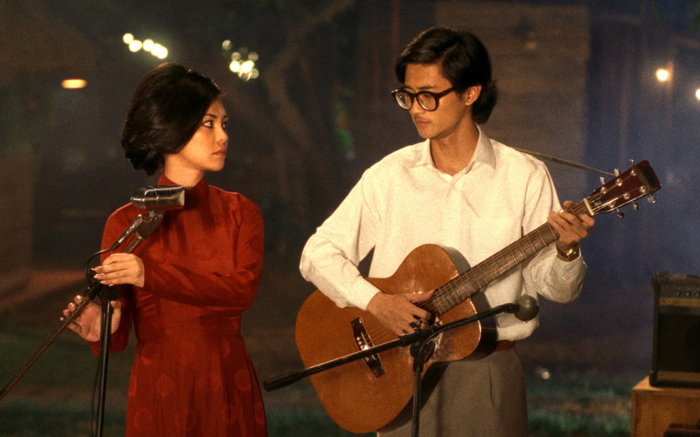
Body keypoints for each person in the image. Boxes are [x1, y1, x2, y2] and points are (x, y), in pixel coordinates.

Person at [299, 27, 595, 437]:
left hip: (485, 374)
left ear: (470, 93)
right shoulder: (388, 176)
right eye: (407, 95)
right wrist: (377, 303)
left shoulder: (524, 176)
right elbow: (317, 254)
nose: (415, 109)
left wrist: (566, 251)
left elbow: (558, 290)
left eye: (428, 95)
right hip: (397, 372)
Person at [62, 63, 267, 437]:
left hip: (226, 381)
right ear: (172, 128)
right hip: (158, 386)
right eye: (209, 124)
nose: (223, 136)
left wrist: (149, 274)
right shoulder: (126, 222)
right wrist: (103, 330)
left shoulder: (240, 212)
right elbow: (120, 334)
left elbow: (241, 292)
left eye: (224, 124)